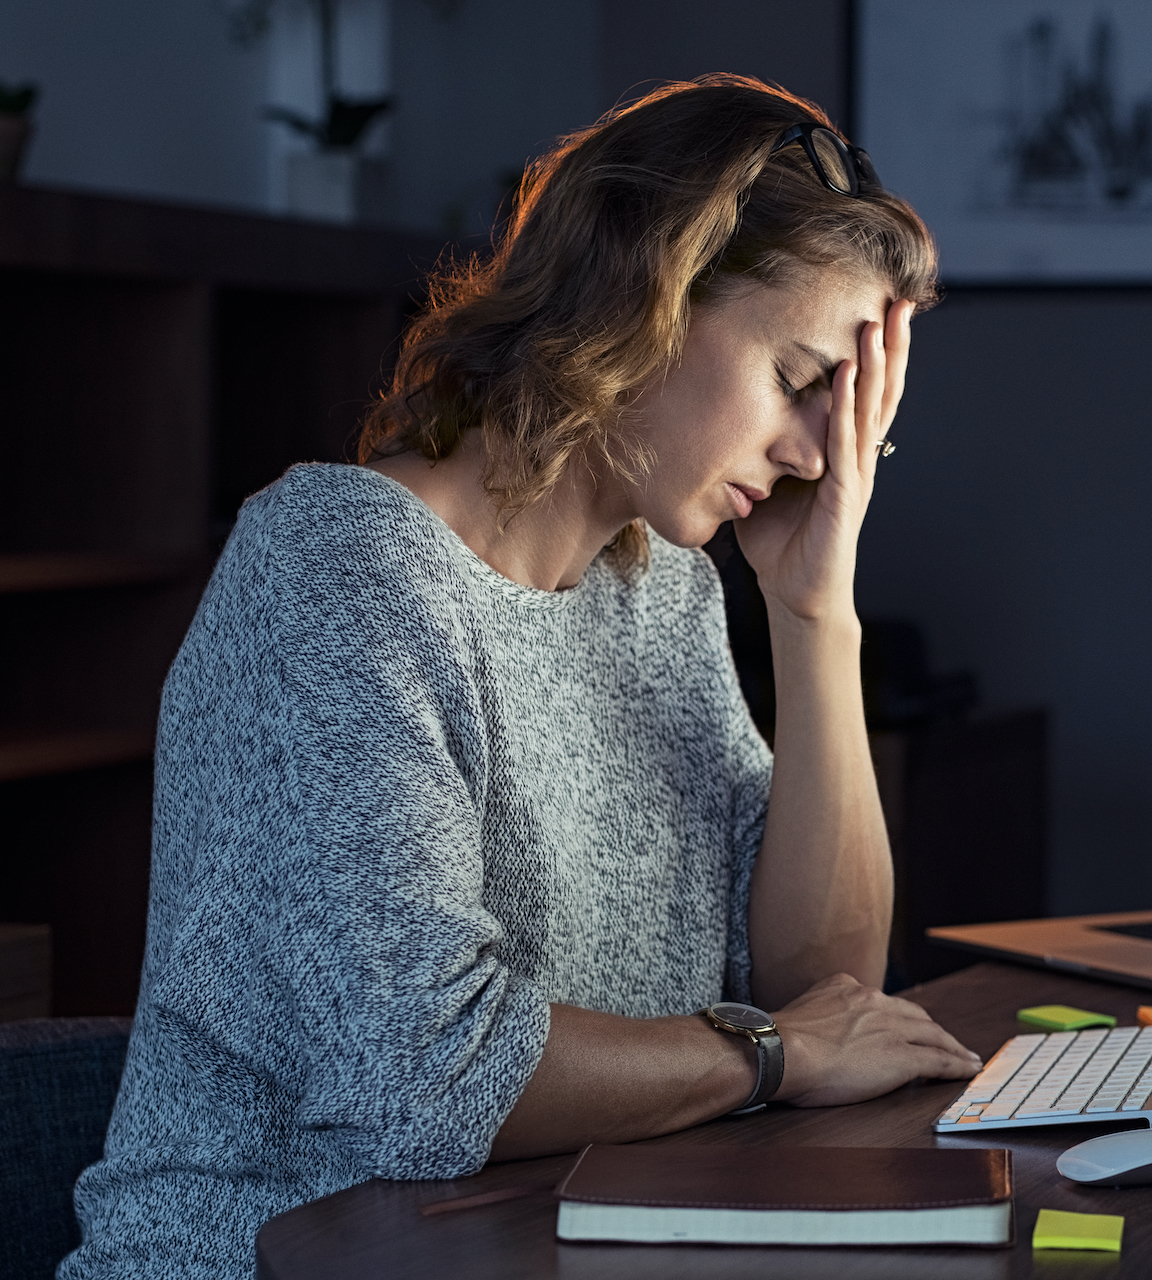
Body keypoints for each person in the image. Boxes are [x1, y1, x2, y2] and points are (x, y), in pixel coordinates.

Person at [62, 75, 982, 1279]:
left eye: (850, 419)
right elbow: (433, 1075)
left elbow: (824, 986)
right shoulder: (337, 569)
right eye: (802, 381)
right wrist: (773, 1054)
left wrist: (814, 611)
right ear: (648, 293)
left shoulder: (658, 589)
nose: (820, 451)